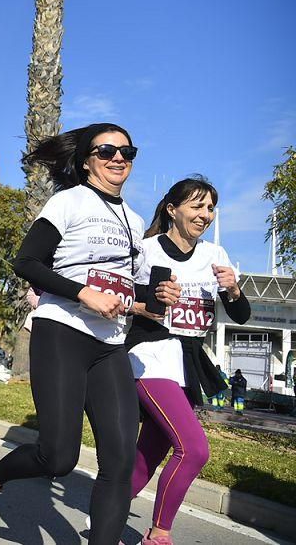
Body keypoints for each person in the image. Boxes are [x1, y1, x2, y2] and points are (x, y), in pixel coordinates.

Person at [0, 123, 147, 545]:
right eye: (107, 150)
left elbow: (130, 291)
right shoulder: (69, 202)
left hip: (110, 345)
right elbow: (26, 262)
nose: (118, 158)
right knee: (58, 456)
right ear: (86, 161)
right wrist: (84, 293)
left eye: (127, 151)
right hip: (63, 331)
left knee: (120, 461)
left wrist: (151, 299)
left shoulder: (135, 221)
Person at [126, 176, 250, 545]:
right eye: (197, 206)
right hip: (148, 356)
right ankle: (159, 535)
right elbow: (121, 303)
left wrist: (233, 289)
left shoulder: (216, 256)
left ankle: (106, 514)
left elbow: (241, 315)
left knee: (152, 449)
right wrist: (153, 298)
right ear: (172, 209)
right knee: (194, 449)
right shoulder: (147, 250)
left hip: (188, 362)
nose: (205, 214)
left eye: (210, 208)